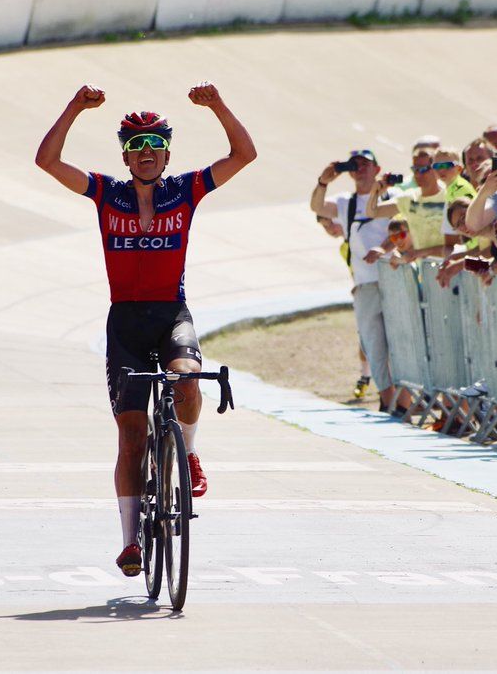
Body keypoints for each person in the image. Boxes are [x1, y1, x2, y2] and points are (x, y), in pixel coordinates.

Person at [35, 82, 256, 576]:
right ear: (126, 156)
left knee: (188, 379)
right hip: (126, 324)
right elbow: (47, 162)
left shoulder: (185, 189)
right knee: (131, 436)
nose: (146, 153)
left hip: (170, 316)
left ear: (167, 153)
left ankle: (191, 454)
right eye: (136, 147)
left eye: (154, 145)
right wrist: (74, 107)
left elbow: (244, 153)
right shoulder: (107, 193)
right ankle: (130, 539)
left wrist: (218, 104)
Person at [310, 149, 394, 408]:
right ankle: (387, 399)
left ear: (377, 169)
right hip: (365, 283)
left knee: (403, 342)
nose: (360, 169)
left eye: (366, 164)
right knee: (373, 345)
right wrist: (323, 181)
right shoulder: (345, 203)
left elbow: (405, 229)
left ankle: (402, 399)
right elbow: (317, 207)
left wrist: (385, 247)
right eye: (355, 165)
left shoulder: (393, 197)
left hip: (396, 279)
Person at [364, 149, 453, 261]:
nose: (418, 174)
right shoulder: (410, 198)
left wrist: (419, 253)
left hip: (448, 269)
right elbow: (372, 212)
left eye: (423, 169)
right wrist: (376, 192)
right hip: (423, 272)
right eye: (415, 169)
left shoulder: (449, 197)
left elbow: (456, 245)